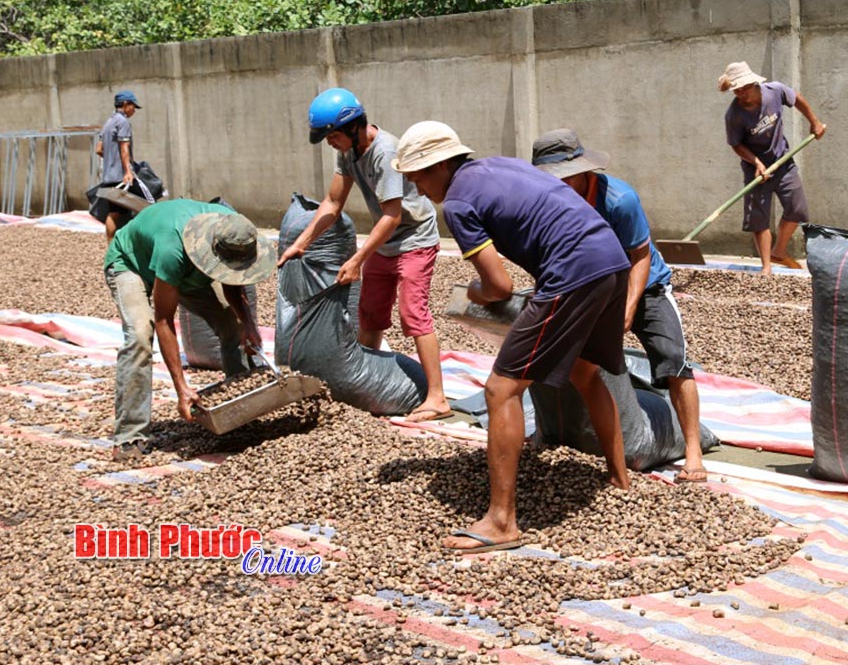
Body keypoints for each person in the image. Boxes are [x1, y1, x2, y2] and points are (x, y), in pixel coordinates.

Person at [392, 121, 632, 553]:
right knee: (585, 373)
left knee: (501, 390)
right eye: (410, 178)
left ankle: (501, 522)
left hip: (574, 271)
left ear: (443, 164)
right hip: (611, 261)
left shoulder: (459, 204)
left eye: (420, 175)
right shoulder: (497, 167)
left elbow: (499, 286)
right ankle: (619, 479)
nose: (417, 186)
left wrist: (473, 294)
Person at [531, 128, 707, 483]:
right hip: (591, 286)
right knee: (553, 352)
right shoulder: (549, 201)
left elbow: (639, 256)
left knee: (673, 361)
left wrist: (628, 305)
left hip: (647, 286)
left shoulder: (619, 200)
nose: (558, 185)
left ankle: (693, 451)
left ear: (583, 171)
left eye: (564, 178)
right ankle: (549, 429)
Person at [277, 88, 451, 423]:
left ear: (355, 128)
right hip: (386, 242)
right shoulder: (349, 153)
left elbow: (392, 215)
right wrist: (301, 243)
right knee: (370, 313)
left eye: (333, 136)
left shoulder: (384, 151)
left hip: (414, 239)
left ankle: (437, 397)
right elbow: (332, 202)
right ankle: (365, 381)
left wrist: (357, 259)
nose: (330, 143)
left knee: (413, 314)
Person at [104, 199, 276, 461]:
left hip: (186, 272)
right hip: (130, 263)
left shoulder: (233, 226)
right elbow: (163, 319)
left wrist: (249, 325)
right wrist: (181, 387)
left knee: (232, 327)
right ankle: (130, 435)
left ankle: (241, 413)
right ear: (212, 251)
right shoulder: (173, 248)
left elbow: (233, 279)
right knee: (140, 334)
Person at [719, 62, 826, 274]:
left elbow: (797, 99)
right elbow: (736, 145)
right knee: (759, 219)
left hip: (783, 161)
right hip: (756, 170)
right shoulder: (734, 114)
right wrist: (757, 163)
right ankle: (766, 267)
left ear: (753, 83)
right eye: (736, 91)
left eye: (743, 89)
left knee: (797, 209)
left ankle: (779, 251)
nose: (740, 94)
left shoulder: (775, 91)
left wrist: (814, 122)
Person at [94, 90, 141, 242]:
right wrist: (127, 171)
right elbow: (124, 147)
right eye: (133, 106)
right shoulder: (123, 122)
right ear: (126, 104)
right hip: (121, 176)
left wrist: (111, 159)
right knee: (139, 208)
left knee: (113, 212)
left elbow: (99, 149)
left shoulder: (108, 123)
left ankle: (111, 247)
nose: (134, 110)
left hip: (108, 176)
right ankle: (126, 247)